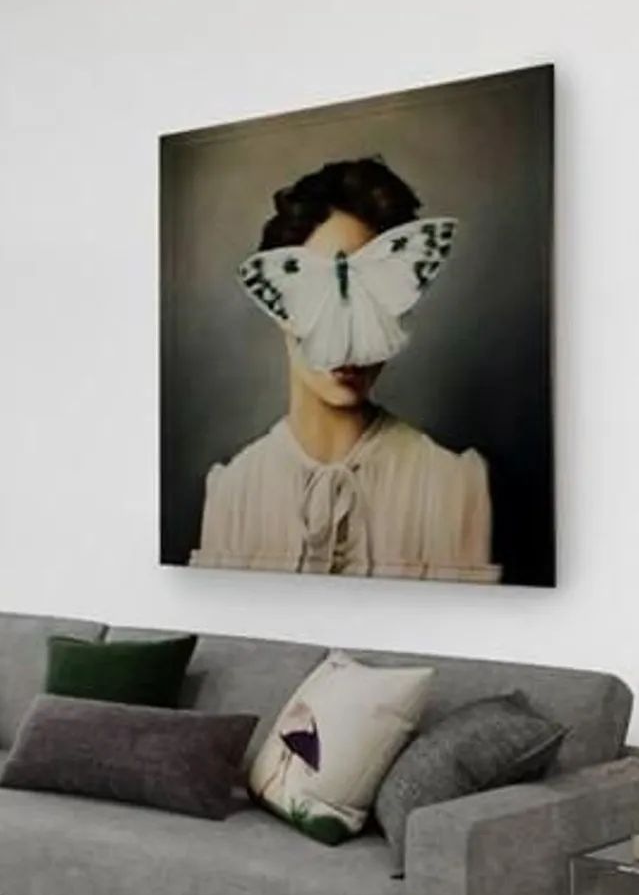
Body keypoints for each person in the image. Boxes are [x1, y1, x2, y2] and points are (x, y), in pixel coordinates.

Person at [191, 155, 497, 582]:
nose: (348, 339)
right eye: (322, 301)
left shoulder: (453, 485)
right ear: (280, 308)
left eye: (369, 301)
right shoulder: (233, 491)